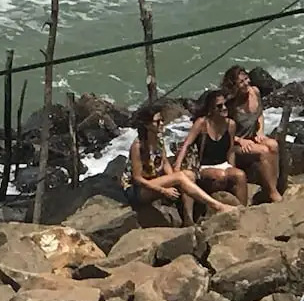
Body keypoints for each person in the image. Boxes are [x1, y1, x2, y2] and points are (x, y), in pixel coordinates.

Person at [121, 102, 237, 225]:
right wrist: (163, 190)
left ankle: (188, 218)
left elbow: (165, 162)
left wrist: (172, 178)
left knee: (189, 175)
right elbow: (137, 179)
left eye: (162, 120)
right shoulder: (138, 146)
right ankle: (218, 206)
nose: (162, 123)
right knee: (180, 178)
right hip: (137, 190)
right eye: (157, 121)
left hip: (153, 181)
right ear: (147, 125)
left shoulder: (158, 139)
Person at [175, 89, 248, 206]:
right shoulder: (202, 123)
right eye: (219, 106)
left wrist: (232, 168)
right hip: (205, 166)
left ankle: (243, 209)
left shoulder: (230, 124)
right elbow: (186, 144)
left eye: (225, 104)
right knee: (220, 175)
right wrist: (177, 166)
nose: (224, 108)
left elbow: (230, 150)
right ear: (211, 109)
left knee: (240, 175)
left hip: (224, 164)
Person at [222, 65, 282, 202]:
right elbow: (224, 131)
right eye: (241, 82)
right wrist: (240, 140)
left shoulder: (255, 91)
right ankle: (272, 192)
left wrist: (260, 131)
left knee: (273, 145)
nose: (246, 83)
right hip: (236, 144)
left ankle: (273, 185)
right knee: (263, 151)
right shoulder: (231, 104)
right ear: (234, 86)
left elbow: (259, 114)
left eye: (246, 79)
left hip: (252, 137)